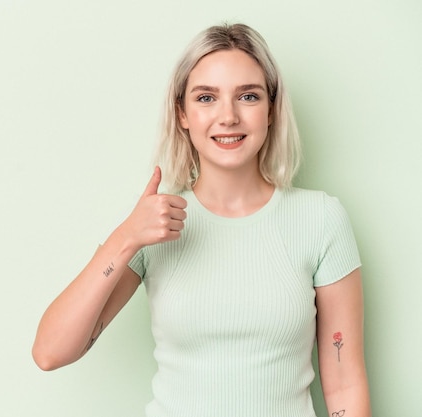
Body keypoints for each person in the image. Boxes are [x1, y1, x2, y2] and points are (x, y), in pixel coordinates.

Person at [32, 23, 371, 417]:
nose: (227, 117)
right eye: (206, 98)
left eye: (248, 96)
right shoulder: (153, 226)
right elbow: (49, 352)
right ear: (183, 114)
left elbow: (346, 386)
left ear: (271, 110)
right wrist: (126, 238)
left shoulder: (321, 220)